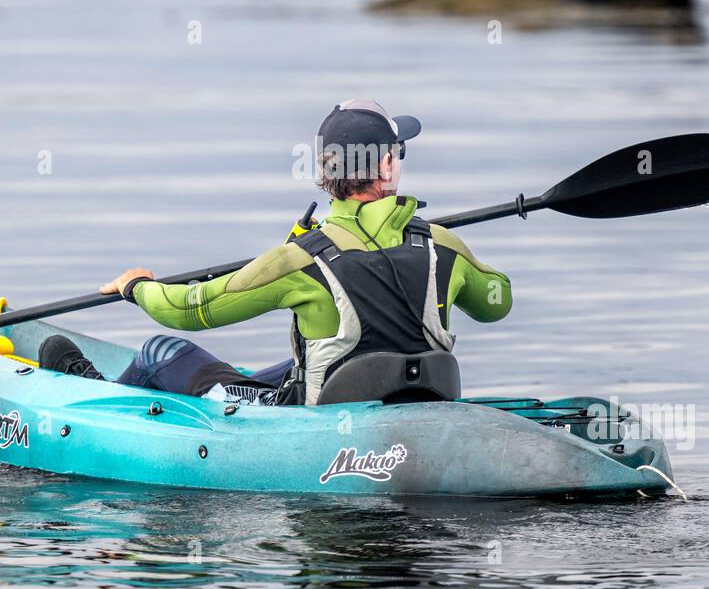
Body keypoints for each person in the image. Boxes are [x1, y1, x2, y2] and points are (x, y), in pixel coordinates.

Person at [37, 100, 513, 406]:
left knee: (161, 351)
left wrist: (136, 287)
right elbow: (498, 304)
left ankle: (97, 400)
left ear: (327, 172)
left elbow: (190, 310)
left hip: (326, 429)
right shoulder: (443, 246)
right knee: (306, 361)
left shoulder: (299, 261)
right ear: (387, 166)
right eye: (399, 153)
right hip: (419, 403)